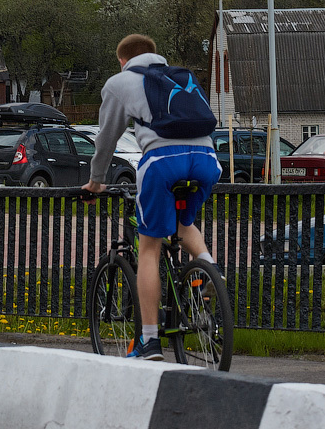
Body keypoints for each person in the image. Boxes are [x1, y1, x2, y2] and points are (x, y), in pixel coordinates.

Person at [82, 33, 221, 361]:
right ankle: (209, 272)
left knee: (149, 247)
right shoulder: (181, 77)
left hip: (162, 163)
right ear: (156, 56)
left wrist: (96, 182)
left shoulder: (121, 81)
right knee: (184, 225)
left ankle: (149, 341)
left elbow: (107, 138)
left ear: (122, 60)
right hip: (206, 161)